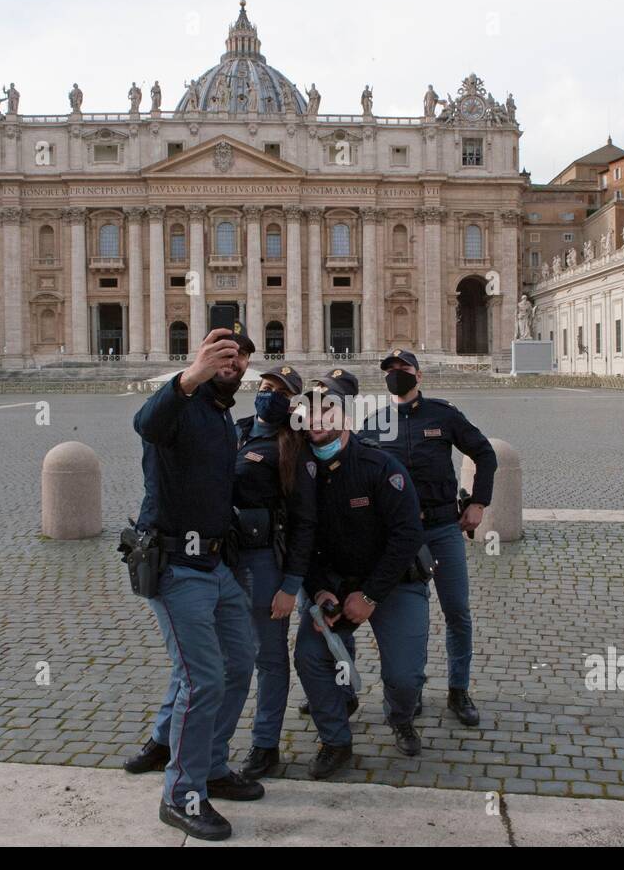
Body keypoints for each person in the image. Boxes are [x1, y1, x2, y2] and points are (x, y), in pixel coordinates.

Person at [123, 325, 262, 842]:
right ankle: (181, 794)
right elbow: (147, 422)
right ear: (200, 356)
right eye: (222, 353)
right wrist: (189, 377)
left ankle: (210, 765)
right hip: (176, 565)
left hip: (216, 565)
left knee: (241, 660)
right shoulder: (179, 402)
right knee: (201, 678)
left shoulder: (223, 415)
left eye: (241, 356)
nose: (233, 362)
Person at [294, 369, 430, 779]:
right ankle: (335, 739)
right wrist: (318, 591)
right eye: (310, 413)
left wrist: (369, 596)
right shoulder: (299, 473)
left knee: (404, 676)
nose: (317, 421)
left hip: (394, 582)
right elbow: (300, 539)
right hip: (335, 585)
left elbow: (408, 535)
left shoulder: (379, 465)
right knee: (309, 657)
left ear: (346, 418)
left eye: (327, 412)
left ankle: (400, 714)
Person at [360, 349, 497, 726]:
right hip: (400, 538)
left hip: (442, 528)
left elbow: (485, 454)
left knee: (457, 612)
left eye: (402, 368)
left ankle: (458, 689)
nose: (396, 374)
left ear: (419, 376)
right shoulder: (373, 423)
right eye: (389, 370)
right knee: (411, 620)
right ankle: (411, 690)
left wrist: (479, 502)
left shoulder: (444, 414)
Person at [232, 365, 318, 780]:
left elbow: (304, 523)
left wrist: (290, 585)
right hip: (221, 559)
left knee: (268, 657)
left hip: (264, 560)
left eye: (279, 391)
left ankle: (265, 744)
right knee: (222, 656)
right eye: (265, 387)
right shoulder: (235, 430)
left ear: (292, 401)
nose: (269, 394)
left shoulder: (293, 446)